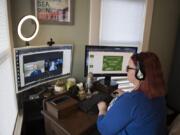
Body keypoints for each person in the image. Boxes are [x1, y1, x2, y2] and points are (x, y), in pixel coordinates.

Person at [97, 52, 167, 135]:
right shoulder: (159, 94)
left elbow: (104, 129)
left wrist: (102, 109)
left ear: (140, 73)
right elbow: (140, 106)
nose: (126, 70)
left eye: (128, 68)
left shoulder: (131, 101)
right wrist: (125, 96)